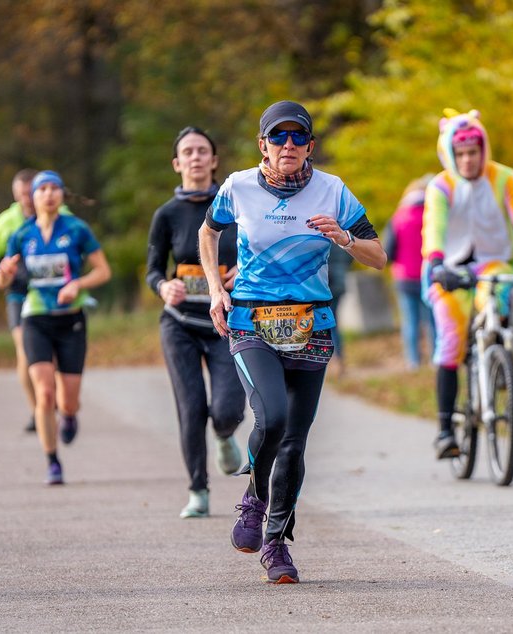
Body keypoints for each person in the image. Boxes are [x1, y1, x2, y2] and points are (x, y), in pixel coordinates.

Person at [199, 100, 386, 584]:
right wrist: (217, 289)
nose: (288, 145)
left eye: (297, 137)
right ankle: (253, 500)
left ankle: (276, 544)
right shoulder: (237, 187)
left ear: (309, 145)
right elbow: (208, 231)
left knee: (296, 444)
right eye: (277, 137)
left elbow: (379, 256)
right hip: (251, 320)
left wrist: (344, 238)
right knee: (273, 419)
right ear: (262, 144)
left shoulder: (333, 190)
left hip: (312, 324)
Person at [422, 108, 513, 459]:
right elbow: (433, 227)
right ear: (451, 155)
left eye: (474, 152)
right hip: (448, 268)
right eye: (461, 154)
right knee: (451, 338)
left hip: (494, 261)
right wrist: (436, 263)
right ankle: (445, 430)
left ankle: (496, 361)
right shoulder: (441, 186)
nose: (468, 160)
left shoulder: (505, 178)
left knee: (495, 298)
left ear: (484, 150)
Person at [146, 126, 246, 519]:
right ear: (177, 164)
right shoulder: (167, 215)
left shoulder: (235, 206)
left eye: (202, 150)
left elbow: (257, 249)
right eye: (187, 152)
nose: (195, 157)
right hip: (180, 323)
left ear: (214, 160)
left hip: (226, 322)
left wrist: (244, 270)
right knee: (190, 406)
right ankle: (198, 491)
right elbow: (152, 270)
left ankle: (224, 434)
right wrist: (164, 286)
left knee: (226, 408)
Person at [0, 170, 111, 485]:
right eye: (42, 189)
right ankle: (52, 460)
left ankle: (70, 416)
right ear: (32, 197)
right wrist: (5, 273)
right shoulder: (21, 235)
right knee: (45, 393)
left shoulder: (76, 229)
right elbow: (0, 280)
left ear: (61, 195)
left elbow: (103, 271)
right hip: (36, 318)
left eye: (54, 188)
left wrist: (78, 285)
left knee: (66, 400)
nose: (48, 194)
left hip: (71, 318)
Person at [0, 169, 42, 432]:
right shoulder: (6, 221)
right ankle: (36, 411)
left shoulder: (60, 216)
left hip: (51, 294)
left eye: (30, 193)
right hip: (18, 293)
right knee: (26, 352)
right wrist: (0, 276)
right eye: (21, 195)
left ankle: (54, 399)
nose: (26, 200)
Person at [384, 175, 437, 370]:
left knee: (410, 321)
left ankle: (413, 361)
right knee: (432, 320)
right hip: (429, 276)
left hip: (404, 278)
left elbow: (388, 251)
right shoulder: (434, 215)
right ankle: (435, 358)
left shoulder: (398, 217)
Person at [326, 241, 353, 376]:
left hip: (327, 285)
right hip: (340, 282)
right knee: (335, 323)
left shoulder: (323, 239)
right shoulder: (342, 236)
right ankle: (339, 360)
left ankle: (335, 360)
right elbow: (351, 257)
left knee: (329, 325)